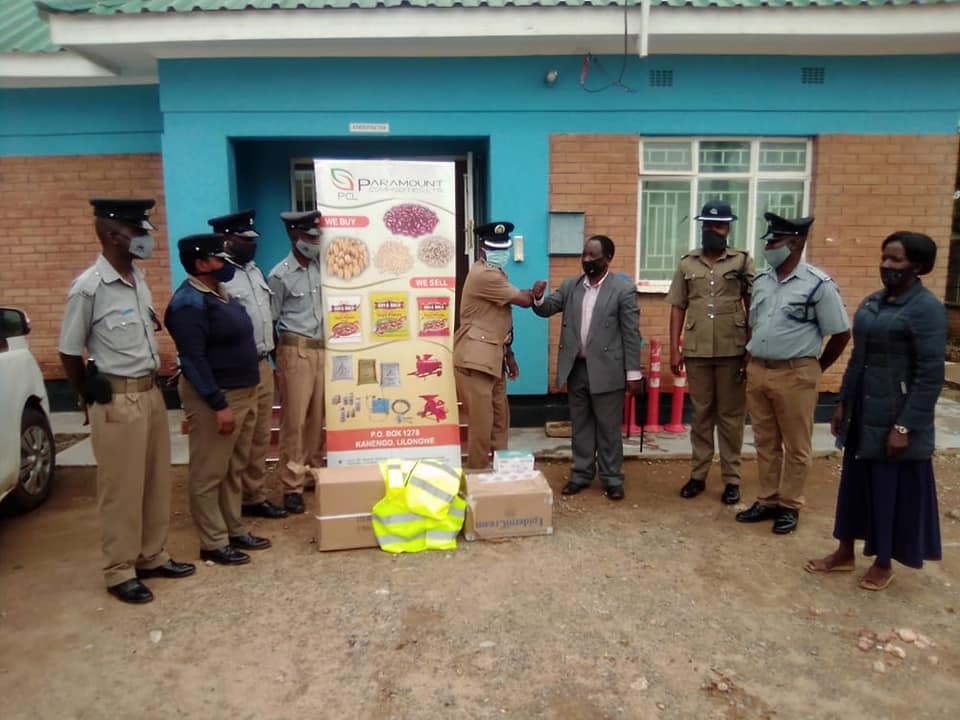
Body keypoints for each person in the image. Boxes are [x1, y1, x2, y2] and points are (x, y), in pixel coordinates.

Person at [59, 198, 195, 604]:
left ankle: (152, 555)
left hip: (150, 394)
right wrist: (86, 391)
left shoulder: (138, 279)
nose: (145, 239)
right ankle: (119, 568)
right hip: (116, 400)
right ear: (112, 235)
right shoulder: (89, 288)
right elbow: (68, 350)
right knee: (121, 488)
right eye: (137, 231)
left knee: (155, 481)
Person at [805, 231, 945, 591]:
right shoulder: (872, 303)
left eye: (895, 259)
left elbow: (930, 376)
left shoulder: (926, 309)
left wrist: (905, 426)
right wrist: (842, 402)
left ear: (918, 266)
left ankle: (883, 562)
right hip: (862, 413)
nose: (886, 265)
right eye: (884, 257)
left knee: (887, 491)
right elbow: (857, 360)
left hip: (896, 417)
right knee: (854, 485)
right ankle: (844, 551)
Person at [735, 213, 851, 534]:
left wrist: (816, 368)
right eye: (769, 241)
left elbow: (841, 333)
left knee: (796, 445)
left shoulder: (818, 285)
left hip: (796, 373)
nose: (769, 247)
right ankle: (768, 499)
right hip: (760, 370)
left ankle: (790, 505)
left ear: (796, 243)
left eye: (775, 242)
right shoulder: (762, 281)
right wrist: (749, 359)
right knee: (765, 441)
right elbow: (754, 324)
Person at [165, 233, 271, 566]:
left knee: (234, 467)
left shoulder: (219, 293)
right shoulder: (188, 303)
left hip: (244, 391)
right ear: (200, 264)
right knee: (209, 472)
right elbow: (192, 359)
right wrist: (218, 404)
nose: (225, 264)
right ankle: (213, 541)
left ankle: (234, 529)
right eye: (218, 259)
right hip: (218, 397)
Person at [532, 235, 643, 501]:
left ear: (608, 258)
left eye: (593, 255)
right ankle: (581, 474)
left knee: (608, 428)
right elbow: (548, 308)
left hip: (608, 370)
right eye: (584, 255)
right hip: (577, 369)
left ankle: (612, 478)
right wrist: (538, 298)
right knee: (580, 426)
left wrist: (633, 372)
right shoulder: (571, 286)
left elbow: (631, 333)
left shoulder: (622, 290)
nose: (587, 260)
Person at [666, 201, 754, 505]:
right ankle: (698, 475)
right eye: (707, 225)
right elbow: (678, 306)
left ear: (728, 228)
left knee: (731, 417)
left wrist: (751, 347)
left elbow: (752, 305)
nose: (712, 230)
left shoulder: (742, 261)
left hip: (733, 348)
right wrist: (674, 348)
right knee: (701, 415)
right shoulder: (687, 263)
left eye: (718, 225)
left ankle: (732, 479)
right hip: (697, 349)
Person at [208, 210, 288, 520]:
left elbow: (268, 318)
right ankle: (229, 503)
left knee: (259, 436)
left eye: (252, 240)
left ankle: (254, 496)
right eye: (244, 240)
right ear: (227, 240)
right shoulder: (218, 275)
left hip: (262, 364)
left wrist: (275, 360)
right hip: (235, 370)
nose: (251, 245)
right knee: (235, 441)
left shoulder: (255, 272)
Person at [453, 222, 538, 469]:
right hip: (475, 359)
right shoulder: (484, 275)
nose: (501, 253)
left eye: (504, 248)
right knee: (482, 424)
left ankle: (502, 470)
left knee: (500, 419)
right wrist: (536, 294)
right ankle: (478, 473)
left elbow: (499, 317)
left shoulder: (496, 275)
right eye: (495, 248)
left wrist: (509, 354)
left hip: (493, 357)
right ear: (483, 250)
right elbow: (523, 300)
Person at [268, 210, 325, 515]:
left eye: (317, 237)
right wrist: (280, 362)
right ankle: (292, 484)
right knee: (295, 421)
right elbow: (271, 321)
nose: (315, 242)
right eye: (309, 237)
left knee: (317, 418)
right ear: (294, 236)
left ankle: (313, 472)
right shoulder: (280, 275)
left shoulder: (321, 268)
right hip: (296, 349)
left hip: (322, 350)